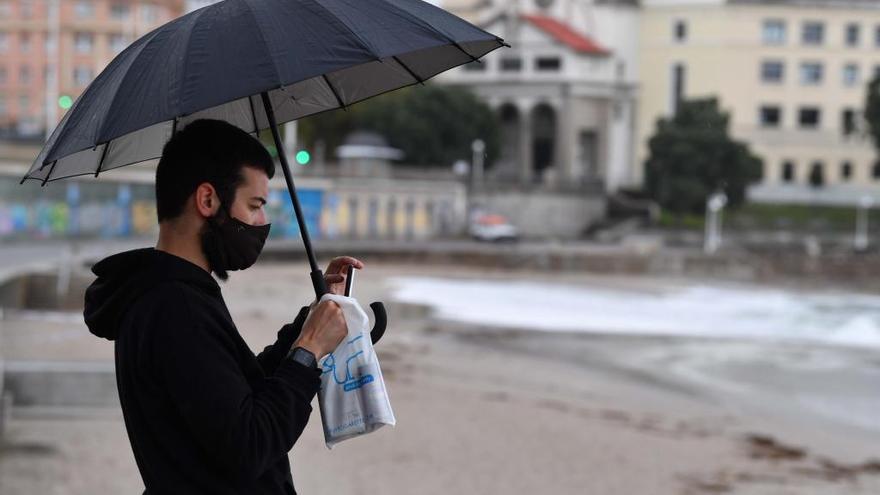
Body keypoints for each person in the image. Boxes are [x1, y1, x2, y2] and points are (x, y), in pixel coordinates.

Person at [83, 119, 360, 494]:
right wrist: (308, 351)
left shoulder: (170, 293)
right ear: (208, 200)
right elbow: (249, 444)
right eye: (255, 205)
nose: (262, 222)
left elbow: (232, 398)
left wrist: (308, 324)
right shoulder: (175, 308)